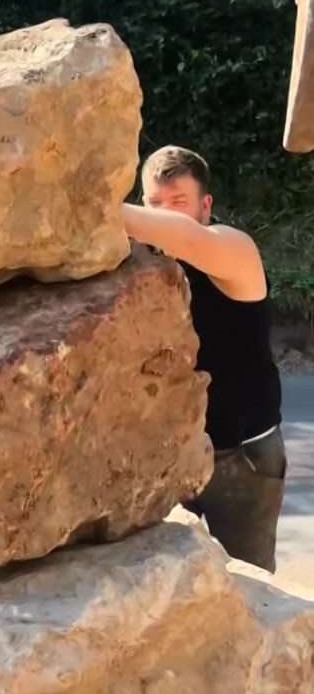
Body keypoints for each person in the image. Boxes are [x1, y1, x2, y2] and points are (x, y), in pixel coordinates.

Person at [121, 145, 285, 573]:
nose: (168, 216)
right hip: (172, 450)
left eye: (179, 204)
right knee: (168, 583)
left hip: (242, 454)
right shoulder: (145, 266)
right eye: (156, 205)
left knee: (251, 586)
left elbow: (188, 238)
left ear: (205, 205)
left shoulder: (232, 248)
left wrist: (86, 205)